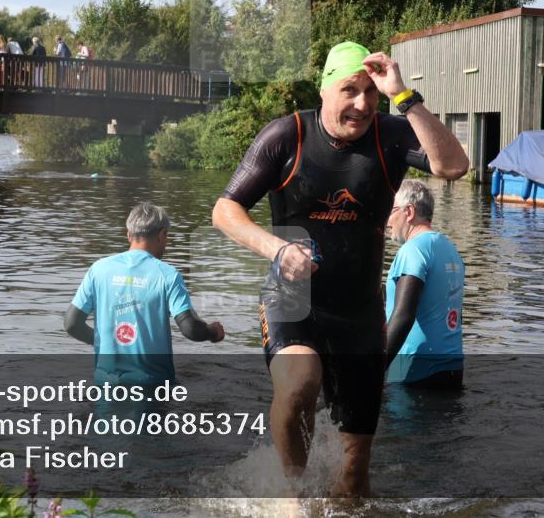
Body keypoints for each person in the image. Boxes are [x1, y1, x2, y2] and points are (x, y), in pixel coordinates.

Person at [211, 41, 468, 496]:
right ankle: (292, 497)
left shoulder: (391, 133)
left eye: (371, 92)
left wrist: (403, 97)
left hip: (360, 314)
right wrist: (275, 248)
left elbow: (453, 166)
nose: (363, 103)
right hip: (294, 301)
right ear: (324, 89)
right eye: (351, 90)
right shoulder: (285, 136)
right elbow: (225, 210)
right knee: (299, 382)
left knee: (354, 474)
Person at [64, 202, 224, 386]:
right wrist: (213, 332)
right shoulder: (168, 275)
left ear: (129, 235)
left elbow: (71, 324)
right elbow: (191, 329)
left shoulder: (99, 269)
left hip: (105, 382)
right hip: (152, 383)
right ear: (163, 235)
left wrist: (107, 344)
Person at [383, 180, 464, 389]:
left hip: (413, 369)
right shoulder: (450, 249)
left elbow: (403, 316)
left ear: (409, 212)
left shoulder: (412, 251)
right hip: (452, 366)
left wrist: (373, 369)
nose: (386, 220)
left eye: (390, 211)